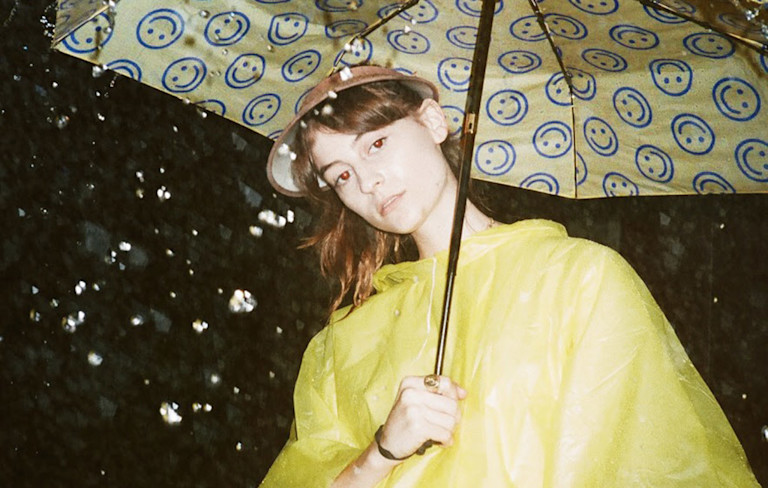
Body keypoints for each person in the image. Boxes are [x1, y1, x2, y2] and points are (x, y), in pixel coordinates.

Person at [260, 65, 759, 487]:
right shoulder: (341, 345)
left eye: (376, 143)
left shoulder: (580, 280)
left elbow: (655, 467)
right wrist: (382, 452)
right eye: (342, 175)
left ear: (432, 121)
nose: (368, 182)